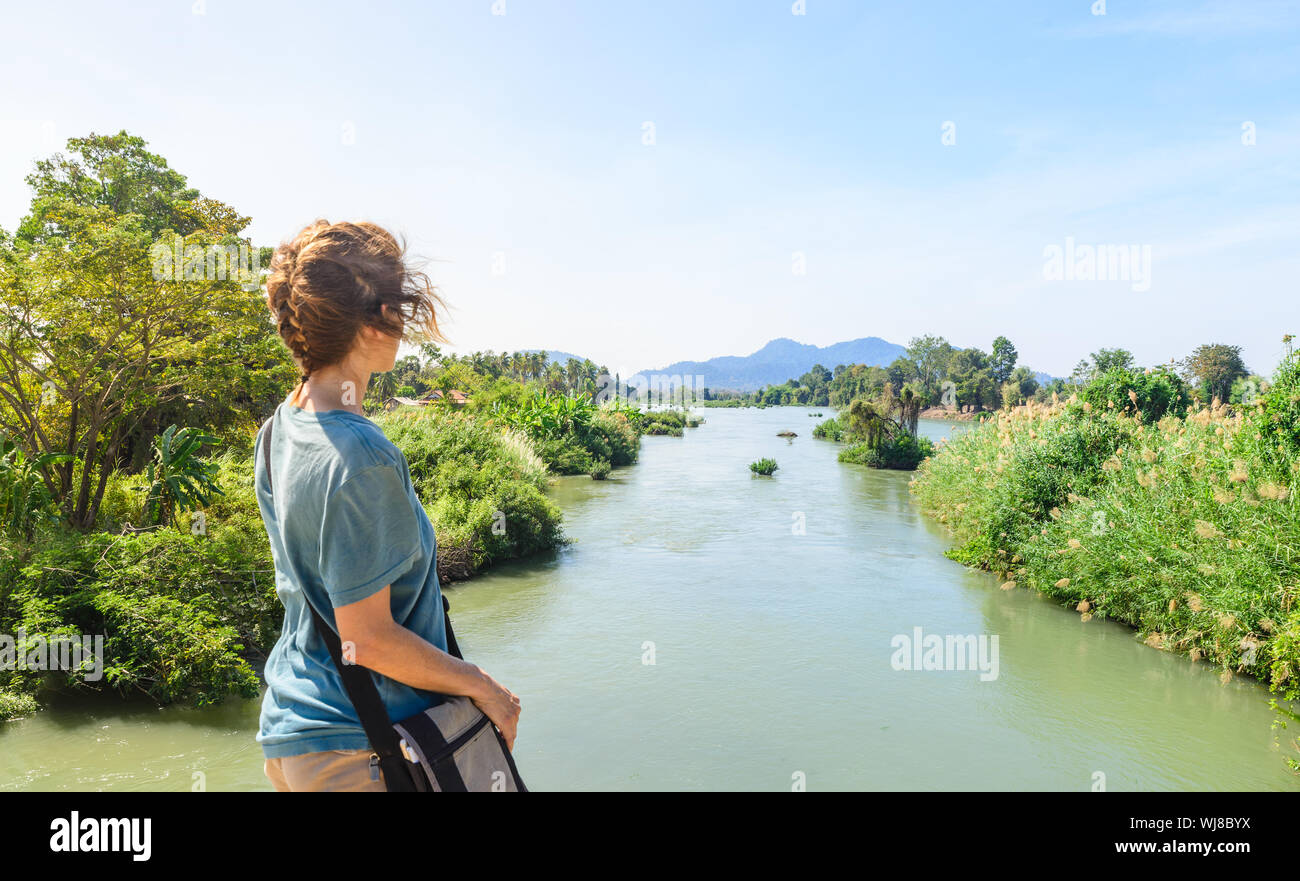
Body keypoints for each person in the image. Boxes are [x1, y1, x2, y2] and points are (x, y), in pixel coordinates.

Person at [254, 220, 520, 792]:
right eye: (396, 304)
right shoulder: (362, 456)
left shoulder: (282, 427)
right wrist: (484, 687)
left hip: (298, 729)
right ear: (373, 321)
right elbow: (366, 639)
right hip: (361, 751)